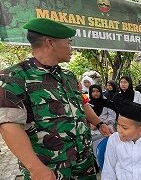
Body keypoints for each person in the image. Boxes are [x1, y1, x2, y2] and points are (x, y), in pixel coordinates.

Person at [0, 18, 113, 180]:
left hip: (83, 164)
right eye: (68, 42)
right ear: (50, 43)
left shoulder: (68, 76)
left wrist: (99, 123)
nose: (71, 47)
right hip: (49, 168)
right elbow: (9, 127)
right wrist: (36, 168)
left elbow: (80, 104)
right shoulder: (14, 77)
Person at [88, 83, 117, 153]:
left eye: (97, 91)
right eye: (93, 91)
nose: (96, 93)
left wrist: (100, 123)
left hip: (106, 127)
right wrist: (91, 125)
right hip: (92, 130)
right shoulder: (87, 106)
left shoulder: (107, 103)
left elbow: (112, 117)